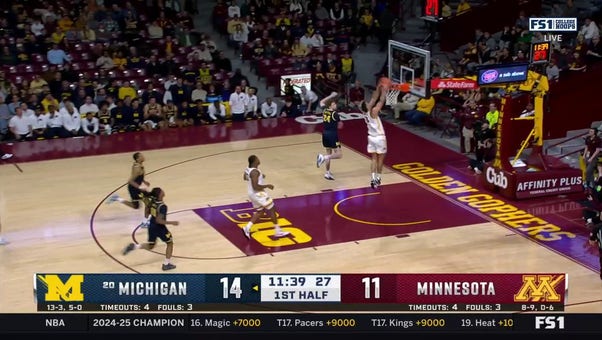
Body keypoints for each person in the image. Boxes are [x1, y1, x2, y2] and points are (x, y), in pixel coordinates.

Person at [122, 187, 179, 271]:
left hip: (151, 225)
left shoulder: (152, 201)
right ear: (160, 195)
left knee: (151, 245)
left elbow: (147, 209)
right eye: (161, 191)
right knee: (169, 243)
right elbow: (159, 221)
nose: (163, 191)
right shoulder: (163, 206)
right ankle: (166, 264)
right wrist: (172, 222)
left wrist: (146, 218)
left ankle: (134, 246)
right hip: (159, 228)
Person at [242, 155, 290, 239]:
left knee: (260, 211)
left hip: (251, 193)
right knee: (271, 208)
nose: (259, 159)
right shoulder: (255, 172)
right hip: (258, 193)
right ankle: (278, 231)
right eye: (257, 158)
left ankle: (247, 227)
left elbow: (245, 177)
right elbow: (255, 186)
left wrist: (259, 177)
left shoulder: (248, 169)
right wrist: (267, 185)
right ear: (254, 161)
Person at [106, 152, 151, 227]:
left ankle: (117, 198)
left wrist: (144, 181)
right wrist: (140, 187)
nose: (143, 156)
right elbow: (130, 181)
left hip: (135, 188)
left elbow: (139, 177)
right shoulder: (137, 168)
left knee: (135, 206)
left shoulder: (140, 165)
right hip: (134, 188)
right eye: (141, 156)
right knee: (149, 202)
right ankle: (145, 222)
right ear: (137, 159)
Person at [360, 79, 388, 189]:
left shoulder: (365, 112)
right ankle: (378, 178)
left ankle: (372, 178)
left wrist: (378, 88)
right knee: (381, 159)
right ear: (367, 106)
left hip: (371, 138)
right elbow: (380, 100)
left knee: (373, 159)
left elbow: (373, 98)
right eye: (367, 103)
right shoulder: (374, 111)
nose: (368, 102)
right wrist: (384, 90)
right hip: (379, 137)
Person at [316, 92, 343, 180]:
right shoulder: (335, 114)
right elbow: (340, 125)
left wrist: (331, 96)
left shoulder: (324, 110)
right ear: (330, 106)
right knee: (339, 154)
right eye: (334, 104)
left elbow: (321, 102)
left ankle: (327, 173)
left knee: (329, 152)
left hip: (325, 134)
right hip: (332, 135)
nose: (336, 105)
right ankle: (323, 158)